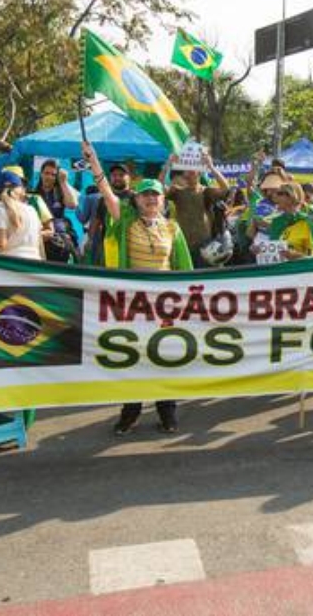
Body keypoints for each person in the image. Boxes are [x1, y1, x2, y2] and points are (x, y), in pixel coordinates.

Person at [83, 142, 192, 434]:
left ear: (162, 199)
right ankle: (129, 413)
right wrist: (94, 162)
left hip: (166, 305)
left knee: (165, 358)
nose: (150, 199)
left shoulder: (172, 228)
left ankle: (167, 413)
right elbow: (106, 192)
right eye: (144, 194)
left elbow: (185, 268)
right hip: (132, 304)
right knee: (133, 359)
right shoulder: (125, 221)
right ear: (136, 199)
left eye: (155, 194)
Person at [161, 148, 230, 267]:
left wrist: (211, 167)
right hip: (183, 244)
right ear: (183, 173)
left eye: (193, 167)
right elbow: (159, 189)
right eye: (187, 168)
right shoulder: (177, 191)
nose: (190, 170)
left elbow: (225, 189)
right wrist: (167, 165)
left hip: (205, 246)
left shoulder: (206, 191)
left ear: (200, 172)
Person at [78, 160, 133, 264]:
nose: (117, 178)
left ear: (129, 178)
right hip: (108, 246)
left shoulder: (135, 198)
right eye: (114, 175)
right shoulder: (103, 199)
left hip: (131, 245)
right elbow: (96, 221)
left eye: (121, 175)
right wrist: (89, 240)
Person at [30, 159, 79, 263]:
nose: (49, 177)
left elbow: (72, 205)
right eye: (46, 173)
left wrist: (63, 182)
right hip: (40, 235)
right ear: (41, 174)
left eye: (53, 175)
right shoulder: (33, 194)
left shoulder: (60, 192)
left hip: (59, 238)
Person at [260, 179, 313, 260]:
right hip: (279, 270)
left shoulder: (307, 222)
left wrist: (295, 256)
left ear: (292, 196)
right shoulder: (276, 222)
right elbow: (272, 252)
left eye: (279, 193)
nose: (274, 196)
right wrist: (261, 250)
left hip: (300, 270)